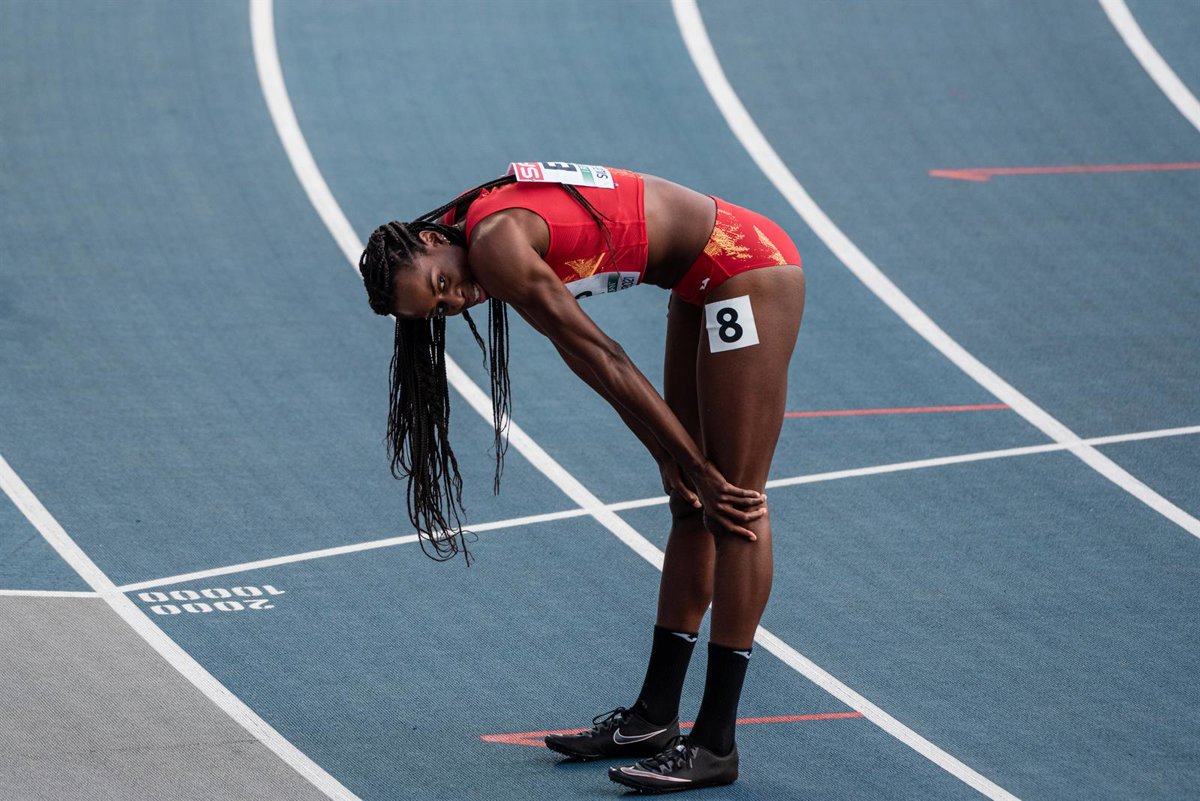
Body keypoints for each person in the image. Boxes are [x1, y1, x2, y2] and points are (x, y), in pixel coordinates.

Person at [359, 162, 805, 793]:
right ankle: (654, 718)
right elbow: (584, 358)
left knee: (734, 504)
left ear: (432, 240)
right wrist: (671, 458)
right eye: (441, 309)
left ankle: (715, 744)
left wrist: (696, 465)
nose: (456, 301)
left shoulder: (493, 244)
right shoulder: (473, 239)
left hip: (745, 267)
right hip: (695, 285)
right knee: (690, 506)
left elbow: (604, 354)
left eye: (442, 285)